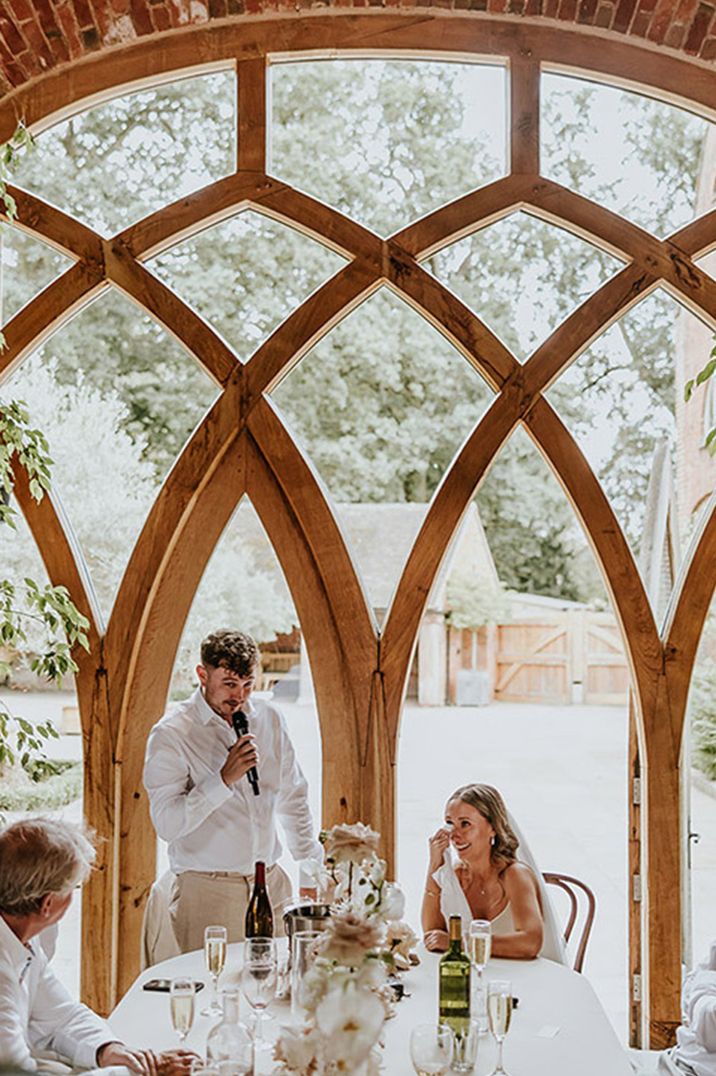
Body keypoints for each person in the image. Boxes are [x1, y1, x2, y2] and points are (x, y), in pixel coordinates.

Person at [143, 629, 323, 953]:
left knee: (275, 989)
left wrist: (312, 863)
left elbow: (293, 796)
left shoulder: (269, 719)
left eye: (248, 685)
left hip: (271, 885)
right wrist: (222, 780)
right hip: (207, 891)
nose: (239, 696)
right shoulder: (172, 734)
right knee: (211, 993)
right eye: (228, 684)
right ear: (202, 674)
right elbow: (167, 825)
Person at [0, 817, 194, 1074]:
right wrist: (139, 1072)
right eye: (73, 888)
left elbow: (60, 1015)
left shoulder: (24, 937)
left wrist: (109, 1050)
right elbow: (17, 1072)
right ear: (47, 904)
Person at [422, 783, 547, 960]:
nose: (454, 835)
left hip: (521, 981)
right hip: (476, 979)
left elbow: (530, 943)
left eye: (465, 824)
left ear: (492, 828)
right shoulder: (456, 875)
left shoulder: (514, 875)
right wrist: (435, 863)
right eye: (450, 823)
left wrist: (459, 943)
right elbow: (433, 936)